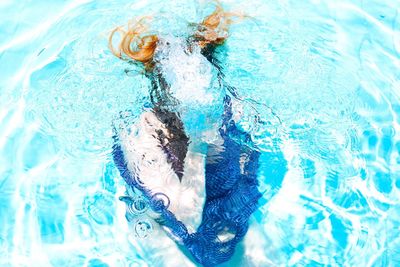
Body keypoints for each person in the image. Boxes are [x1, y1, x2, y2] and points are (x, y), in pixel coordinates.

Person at [110, 3, 261, 266]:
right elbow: (186, 219)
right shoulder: (141, 130)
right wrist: (197, 145)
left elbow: (251, 166)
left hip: (225, 210)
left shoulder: (231, 105)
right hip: (163, 224)